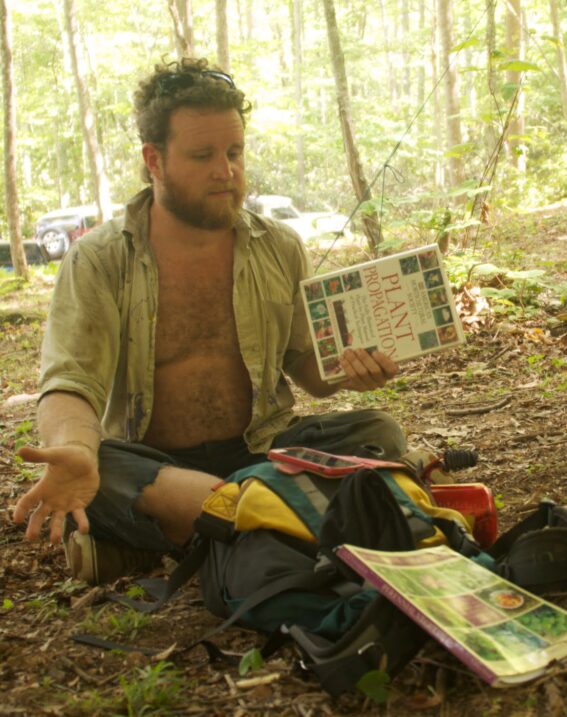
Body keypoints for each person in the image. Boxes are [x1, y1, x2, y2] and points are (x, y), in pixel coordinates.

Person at [11, 59, 406, 584]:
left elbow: (308, 371)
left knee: (377, 431)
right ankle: (276, 521)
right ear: (154, 160)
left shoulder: (279, 246)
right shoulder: (100, 259)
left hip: (262, 451)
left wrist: (353, 368)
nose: (227, 171)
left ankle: (191, 535)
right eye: (203, 156)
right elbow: (70, 384)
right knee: (100, 474)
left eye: (234, 152)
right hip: (155, 466)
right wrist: (77, 451)